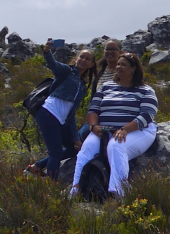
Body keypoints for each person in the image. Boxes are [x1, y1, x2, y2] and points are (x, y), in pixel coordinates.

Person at [71, 53, 158, 198]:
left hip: (137, 130)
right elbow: (93, 109)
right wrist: (93, 127)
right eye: (118, 64)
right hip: (104, 129)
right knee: (86, 150)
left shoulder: (146, 90)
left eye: (123, 65)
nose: (118, 67)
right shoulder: (106, 87)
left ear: (133, 68)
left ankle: (119, 192)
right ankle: (75, 188)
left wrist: (125, 129)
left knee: (116, 146)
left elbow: (147, 115)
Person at [29, 42, 91, 176]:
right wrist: (46, 51)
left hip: (61, 120)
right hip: (48, 113)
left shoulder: (83, 87)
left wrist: (75, 138)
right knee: (55, 152)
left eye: (88, 59)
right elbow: (53, 64)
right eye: (82, 57)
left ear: (92, 64)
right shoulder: (67, 71)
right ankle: (52, 188)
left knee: (74, 149)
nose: (84, 60)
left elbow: (71, 114)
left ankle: (38, 166)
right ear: (77, 58)